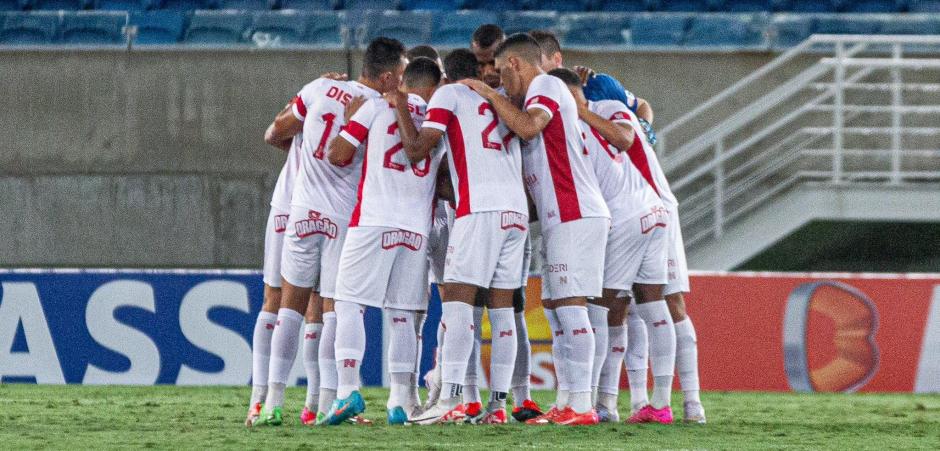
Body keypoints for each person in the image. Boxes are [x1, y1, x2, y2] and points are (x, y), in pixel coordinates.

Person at [459, 34, 610, 426]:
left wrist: (489, 95)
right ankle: (568, 402)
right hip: (565, 214)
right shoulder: (536, 94)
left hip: (575, 211)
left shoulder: (546, 84)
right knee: (558, 309)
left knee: (571, 308)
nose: (498, 82)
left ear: (514, 64)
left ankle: (581, 404)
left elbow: (529, 128)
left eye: (500, 73)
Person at [256, 37, 407, 427]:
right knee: (334, 310)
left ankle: (271, 404)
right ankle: (323, 405)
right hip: (344, 219)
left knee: (289, 307)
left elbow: (276, 131)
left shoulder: (318, 86)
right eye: (402, 75)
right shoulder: (376, 109)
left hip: (302, 211)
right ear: (388, 76)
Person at [399, 48, 529, 426]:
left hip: (480, 209)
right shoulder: (499, 99)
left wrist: (400, 109)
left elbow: (418, 149)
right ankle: (498, 406)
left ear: (444, 77)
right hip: (515, 211)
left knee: (457, 301)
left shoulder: (448, 94)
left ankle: (451, 399)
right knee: (503, 309)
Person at [323, 57, 445, 426]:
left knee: (348, 303)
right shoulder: (441, 120)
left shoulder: (376, 108)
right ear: (435, 85)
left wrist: (348, 125)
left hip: (374, 220)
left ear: (403, 80)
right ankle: (399, 402)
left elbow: (338, 155)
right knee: (404, 315)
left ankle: (347, 391)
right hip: (416, 228)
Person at [551, 67, 671, 423]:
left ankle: (598, 403)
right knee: (651, 305)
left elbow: (629, 138)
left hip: (625, 214)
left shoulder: (599, 110)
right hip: (651, 209)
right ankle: (659, 404)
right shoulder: (587, 118)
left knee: (601, 307)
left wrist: (580, 110)